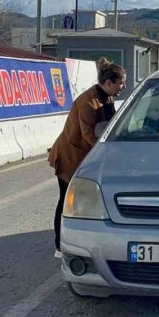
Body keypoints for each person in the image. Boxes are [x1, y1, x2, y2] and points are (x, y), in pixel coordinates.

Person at [48, 58, 126, 254]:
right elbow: (88, 135)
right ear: (108, 83)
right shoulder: (88, 102)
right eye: (121, 82)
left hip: (84, 158)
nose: (123, 87)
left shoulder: (106, 97)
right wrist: (107, 154)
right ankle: (60, 245)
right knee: (66, 201)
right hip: (70, 157)